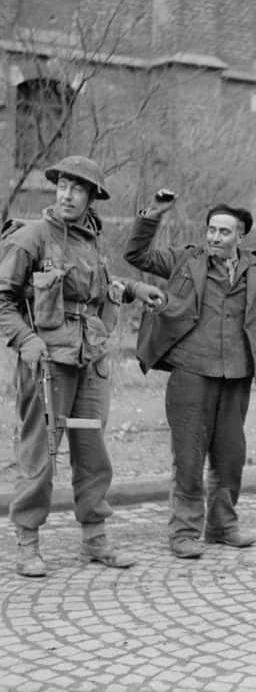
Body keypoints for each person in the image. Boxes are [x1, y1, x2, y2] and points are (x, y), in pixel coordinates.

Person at [124, 191, 256, 560]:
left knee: (230, 456)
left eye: (223, 232)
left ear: (240, 236)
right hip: (191, 373)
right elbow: (137, 255)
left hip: (237, 376)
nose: (215, 237)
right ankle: (184, 531)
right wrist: (152, 214)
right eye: (211, 230)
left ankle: (222, 525)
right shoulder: (185, 260)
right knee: (188, 456)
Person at [0, 155, 165, 577]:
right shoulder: (32, 237)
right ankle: (28, 542)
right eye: (62, 186)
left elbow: (99, 288)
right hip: (48, 364)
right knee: (39, 453)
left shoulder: (90, 239)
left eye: (77, 188)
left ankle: (95, 538)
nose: (67, 195)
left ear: (92, 197)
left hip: (91, 359)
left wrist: (136, 288)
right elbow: (3, 298)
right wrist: (26, 340)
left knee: (93, 452)